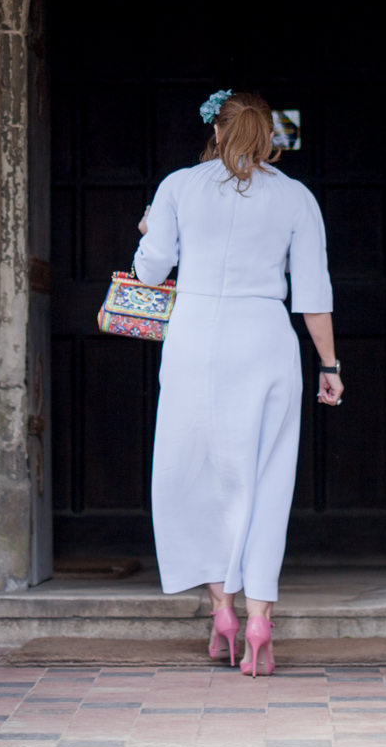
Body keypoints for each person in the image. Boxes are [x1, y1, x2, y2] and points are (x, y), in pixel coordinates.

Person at [133, 88, 343, 677]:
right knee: (266, 478)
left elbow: (151, 270)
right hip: (265, 340)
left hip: (195, 337)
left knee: (201, 475)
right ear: (270, 136)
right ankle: (258, 622)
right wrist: (329, 366)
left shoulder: (177, 186)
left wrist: (149, 225)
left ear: (218, 132)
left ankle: (220, 611)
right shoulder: (297, 198)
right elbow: (314, 294)